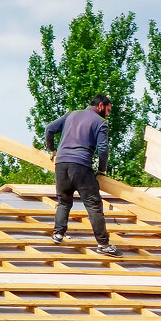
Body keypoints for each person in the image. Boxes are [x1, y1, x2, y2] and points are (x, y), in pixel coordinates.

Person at [45, 95, 122, 257]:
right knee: (94, 205)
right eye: (108, 110)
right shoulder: (101, 123)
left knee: (64, 201)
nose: (108, 114)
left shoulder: (71, 115)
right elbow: (103, 149)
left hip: (61, 165)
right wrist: (102, 170)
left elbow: (49, 129)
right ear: (101, 106)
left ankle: (58, 234)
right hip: (80, 166)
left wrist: (52, 150)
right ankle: (103, 244)